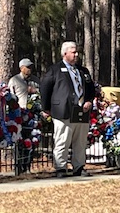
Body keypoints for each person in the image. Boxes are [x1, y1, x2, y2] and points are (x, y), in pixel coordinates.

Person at [40, 41, 95, 178]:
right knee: (62, 140)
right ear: (65, 53)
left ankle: (79, 167)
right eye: (73, 52)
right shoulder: (55, 70)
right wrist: (46, 108)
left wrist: (89, 101)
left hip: (81, 111)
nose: (76, 55)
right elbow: (45, 88)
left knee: (80, 141)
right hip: (63, 111)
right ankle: (60, 167)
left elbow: (91, 89)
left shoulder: (83, 71)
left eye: (77, 52)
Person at [8, 58, 40, 173]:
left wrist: (35, 91)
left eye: (31, 67)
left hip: (32, 115)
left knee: (32, 140)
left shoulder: (35, 81)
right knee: (19, 141)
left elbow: (41, 94)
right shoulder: (14, 80)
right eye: (27, 67)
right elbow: (10, 98)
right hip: (19, 115)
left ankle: (27, 166)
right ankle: (18, 166)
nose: (30, 69)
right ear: (21, 68)